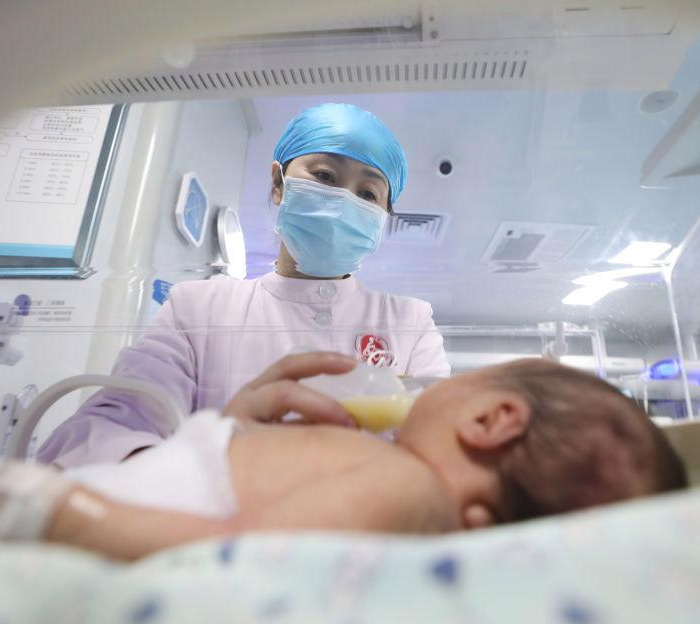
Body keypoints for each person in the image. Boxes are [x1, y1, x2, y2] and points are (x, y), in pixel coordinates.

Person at [0, 357, 687, 562]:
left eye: (466, 377)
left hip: (32, 523)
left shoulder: (406, 485)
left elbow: (237, 562)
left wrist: (50, 511)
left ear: (490, 419)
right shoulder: (397, 484)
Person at [37, 103, 451, 468]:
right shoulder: (197, 308)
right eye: (324, 176)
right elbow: (110, 427)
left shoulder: (410, 322)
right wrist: (209, 463)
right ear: (278, 183)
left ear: (383, 217)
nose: (344, 200)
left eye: (368, 193)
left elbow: (443, 442)